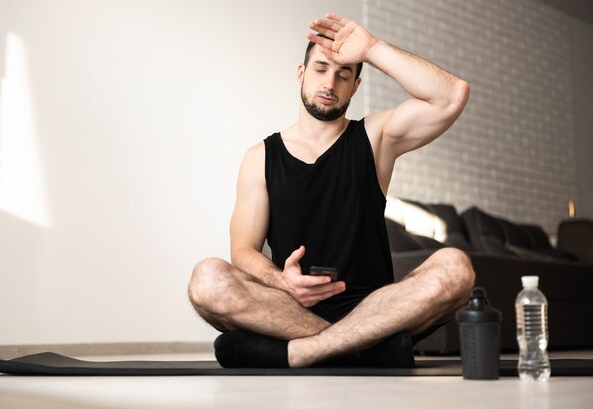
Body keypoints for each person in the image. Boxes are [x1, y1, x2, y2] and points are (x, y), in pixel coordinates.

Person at [188, 12, 474, 368]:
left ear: (355, 87)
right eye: (321, 69)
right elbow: (243, 251)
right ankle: (363, 348)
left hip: (377, 308)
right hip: (291, 309)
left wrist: (372, 48)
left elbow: (451, 95)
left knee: (455, 268)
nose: (330, 83)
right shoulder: (260, 157)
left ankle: (306, 351)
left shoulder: (375, 138)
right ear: (301, 74)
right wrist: (281, 281)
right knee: (207, 279)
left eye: (343, 75)